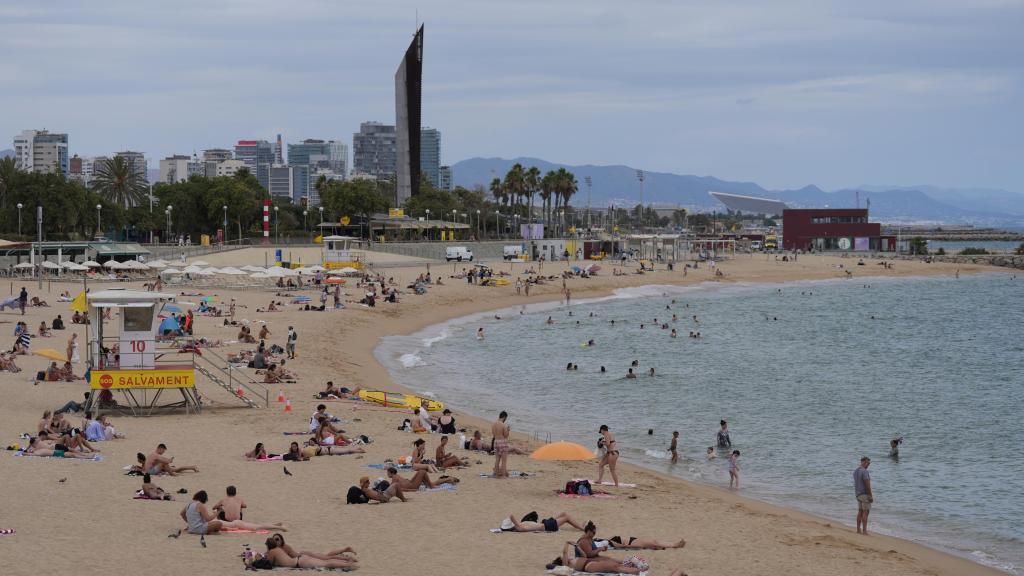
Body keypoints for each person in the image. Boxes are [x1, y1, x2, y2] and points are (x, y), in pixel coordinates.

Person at [180, 490, 285, 535]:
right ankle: (277, 527)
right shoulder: (200, 505)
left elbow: (182, 513)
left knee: (225, 524)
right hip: (233, 523)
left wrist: (189, 524)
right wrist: (218, 512)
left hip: (194, 528)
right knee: (255, 526)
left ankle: (274, 525)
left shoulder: (189, 504)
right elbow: (208, 519)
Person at [262, 533, 357, 568]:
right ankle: (346, 558)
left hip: (302, 556)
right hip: (301, 558)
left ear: (282, 540)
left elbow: (269, 562)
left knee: (327, 558)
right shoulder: (277, 550)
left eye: (277, 539)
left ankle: (347, 557)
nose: (276, 541)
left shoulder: (284, 547)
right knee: (326, 558)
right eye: (274, 539)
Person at [386, 466, 458, 490]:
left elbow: (390, 488)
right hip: (411, 484)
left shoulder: (394, 477)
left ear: (391, 473)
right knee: (430, 482)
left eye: (388, 473)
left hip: (412, 485)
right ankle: (448, 479)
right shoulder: (397, 475)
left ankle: (448, 479)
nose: (387, 474)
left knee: (431, 484)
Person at [505, 511, 583, 533]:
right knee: (567, 517)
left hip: (544, 523)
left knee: (564, 513)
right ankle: (582, 528)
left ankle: (578, 525)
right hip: (547, 526)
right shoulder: (519, 527)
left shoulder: (518, 526)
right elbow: (511, 515)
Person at [854, 456, 873, 534]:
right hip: (864, 494)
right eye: (868, 463)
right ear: (864, 462)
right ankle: (864, 531)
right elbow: (867, 484)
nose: (868, 465)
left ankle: (858, 529)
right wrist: (870, 495)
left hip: (858, 494)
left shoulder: (856, 471)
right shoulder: (864, 471)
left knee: (860, 511)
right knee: (866, 512)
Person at [492, 410, 510, 478]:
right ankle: (503, 475)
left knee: (497, 459)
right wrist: (508, 430)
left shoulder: (493, 424)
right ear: (504, 417)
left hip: (496, 441)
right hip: (502, 442)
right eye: (506, 418)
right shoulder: (503, 425)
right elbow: (506, 435)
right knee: (504, 460)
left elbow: (494, 435)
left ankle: (496, 474)